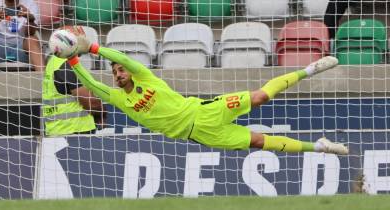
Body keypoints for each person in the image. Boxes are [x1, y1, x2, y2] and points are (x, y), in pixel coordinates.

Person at [62, 26, 348, 155]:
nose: (119, 73)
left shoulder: (145, 77)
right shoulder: (118, 99)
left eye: (120, 70)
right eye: (114, 73)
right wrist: (73, 59)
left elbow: (123, 58)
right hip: (201, 133)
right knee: (260, 141)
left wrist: (95, 48)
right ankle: (320, 147)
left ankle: (310, 69)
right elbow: (91, 84)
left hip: (206, 109)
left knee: (261, 96)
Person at [42, 55, 107, 136]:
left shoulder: (53, 62)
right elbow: (91, 103)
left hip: (57, 129)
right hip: (75, 129)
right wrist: (101, 116)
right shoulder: (66, 65)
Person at [0, 0, 44, 71]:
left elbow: (30, 33)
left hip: (21, 49)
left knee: (32, 39)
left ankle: (44, 78)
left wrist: (30, 20)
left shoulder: (30, 4)